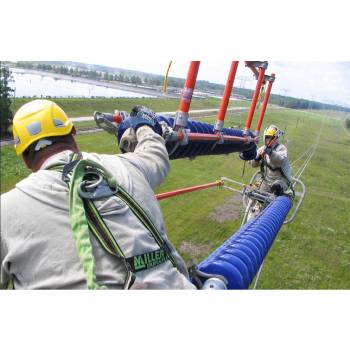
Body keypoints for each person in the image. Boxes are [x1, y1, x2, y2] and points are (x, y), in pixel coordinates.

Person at [0, 99, 196, 290]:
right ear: (73, 133)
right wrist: (144, 125)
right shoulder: (127, 166)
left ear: (25, 159)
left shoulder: (5, 210)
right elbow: (156, 156)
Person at [249, 125, 293, 196]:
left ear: (275, 138)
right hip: (266, 181)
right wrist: (257, 158)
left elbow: (279, 161)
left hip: (281, 180)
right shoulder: (262, 149)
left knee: (276, 189)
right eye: (267, 137)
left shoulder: (281, 148)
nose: (268, 140)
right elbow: (253, 164)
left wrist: (271, 153)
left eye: (270, 137)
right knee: (260, 196)